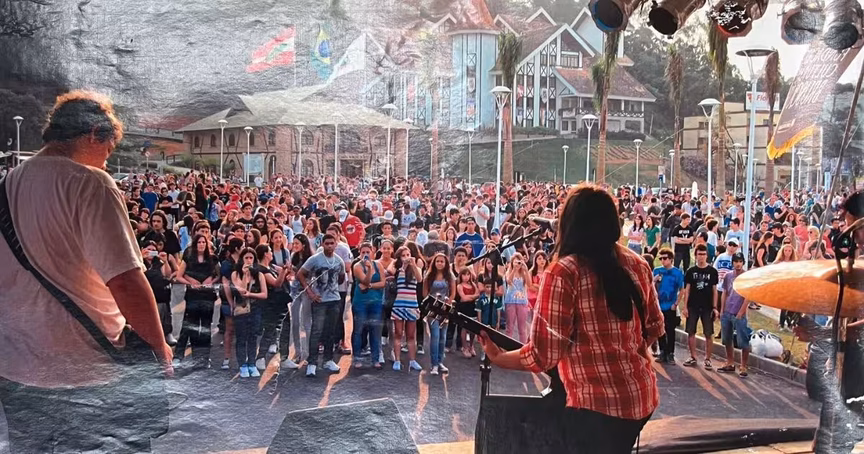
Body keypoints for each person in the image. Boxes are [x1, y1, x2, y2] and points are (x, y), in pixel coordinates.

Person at [0, 91, 171, 453]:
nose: (106, 161)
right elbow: (125, 281)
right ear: (94, 133)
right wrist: (159, 349)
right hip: (88, 373)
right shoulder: (90, 182)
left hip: (18, 373)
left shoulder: (6, 187)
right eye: (108, 150)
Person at [480, 184, 663, 453]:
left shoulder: (564, 273)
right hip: (640, 397)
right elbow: (655, 327)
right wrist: (624, 349)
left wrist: (498, 357)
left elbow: (543, 355)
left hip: (594, 408)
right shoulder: (637, 263)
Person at [297, 234, 346, 377]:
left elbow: (341, 277)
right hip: (319, 301)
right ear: (322, 244)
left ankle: (328, 360)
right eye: (327, 243)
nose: (329, 246)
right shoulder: (315, 259)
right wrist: (310, 293)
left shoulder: (339, 260)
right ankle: (312, 363)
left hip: (334, 299)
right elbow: (300, 274)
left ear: (336, 244)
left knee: (330, 331)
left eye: (332, 243)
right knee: (316, 331)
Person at [174, 233, 221, 369]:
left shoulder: (213, 259)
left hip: (207, 296)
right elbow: (179, 276)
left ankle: (205, 359)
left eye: (203, 242)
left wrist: (211, 281)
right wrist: (191, 283)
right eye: (199, 242)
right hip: (193, 297)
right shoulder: (189, 258)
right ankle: (184, 357)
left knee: (206, 328)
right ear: (195, 244)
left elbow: (218, 275)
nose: (201, 245)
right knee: (190, 326)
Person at [254, 243, 298, 372]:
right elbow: (276, 283)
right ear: (265, 254)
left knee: (285, 330)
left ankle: (284, 358)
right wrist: (284, 271)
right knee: (270, 330)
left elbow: (285, 273)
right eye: (269, 251)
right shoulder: (261, 270)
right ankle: (260, 357)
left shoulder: (271, 266)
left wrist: (287, 271)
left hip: (281, 303)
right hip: (270, 305)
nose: (271, 253)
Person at [230, 247, 268, 378]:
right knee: (241, 338)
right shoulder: (235, 274)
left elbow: (264, 294)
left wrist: (251, 294)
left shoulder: (260, 275)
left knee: (253, 337)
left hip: (255, 309)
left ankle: (252, 363)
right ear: (242, 259)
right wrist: (245, 277)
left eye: (251, 258)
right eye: (246, 258)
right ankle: (242, 365)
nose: (249, 260)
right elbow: (241, 291)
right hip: (241, 310)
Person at [680, 244, 719, 370]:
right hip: (693, 305)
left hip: (707, 307)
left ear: (707, 255)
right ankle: (693, 356)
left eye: (703, 254)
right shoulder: (690, 271)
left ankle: (708, 358)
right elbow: (687, 289)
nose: (701, 257)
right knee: (691, 331)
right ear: (695, 255)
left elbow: (714, 290)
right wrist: (685, 307)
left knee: (708, 333)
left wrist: (715, 307)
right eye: (699, 254)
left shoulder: (712, 272)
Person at [351, 242, 387, 370]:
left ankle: (375, 359)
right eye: (363, 252)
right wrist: (370, 269)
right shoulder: (357, 266)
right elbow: (365, 280)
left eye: (368, 252)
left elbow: (383, 283)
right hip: (360, 302)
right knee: (359, 330)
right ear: (360, 253)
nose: (365, 254)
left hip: (376, 302)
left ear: (373, 252)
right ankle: (357, 357)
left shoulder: (378, 265)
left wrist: (370, 286)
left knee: (375, 330)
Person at [389, 245, 424, 372]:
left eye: (408, 255)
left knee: (411, 335)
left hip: (412, 305)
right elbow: (390, 271)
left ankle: (412, 360)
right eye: (403, 255)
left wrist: (413, 264)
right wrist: (402, 265)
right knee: (398, 333)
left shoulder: (416, 269)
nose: (406, 257)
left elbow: (419, 279)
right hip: (399, 305)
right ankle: (397, 360)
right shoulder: (398, 269)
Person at [717, 253, 751, 378]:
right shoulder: (728, 276)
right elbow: (725, 292)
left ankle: (743, 365)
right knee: (727, 339)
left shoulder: (746, 277)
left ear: (743, 262)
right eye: (736, 261)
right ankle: (730, 362)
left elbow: (748, 296)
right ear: (732, 263)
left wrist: (741, 311)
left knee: (743, 340)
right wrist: (722, 310)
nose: (738, 264)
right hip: (727, 311)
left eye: (740, 261)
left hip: (739, 313)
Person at [423, 253, 456, 375]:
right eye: (437, 261)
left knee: (443, 337)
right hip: (432, 309)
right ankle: (434, 364)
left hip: (445, 309)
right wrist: (431, 304)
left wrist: (448, 303)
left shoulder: (449, 276)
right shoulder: (429, 276)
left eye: (442, 261)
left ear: (446, 263)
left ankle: (440, 361)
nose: (440, 263)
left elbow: (453, 293)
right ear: (434, 263)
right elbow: (425, 293)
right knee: (435, 336)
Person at [653, 247, 684, 364]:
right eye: (660, 258)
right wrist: (654, 281)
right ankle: (662, 351)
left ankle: (670, 353)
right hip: (659, 305)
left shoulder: (677, 272)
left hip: (670, 305)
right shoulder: (657, 271)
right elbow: (650, 287)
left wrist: (676, 303)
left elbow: (682, 289)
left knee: (670, 330)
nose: (662, 261)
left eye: (665, 258)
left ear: (671, 259)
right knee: (660, 329)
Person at [142, 240, 176, 346]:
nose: (151, 252)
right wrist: (141, 257)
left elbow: (167, 275)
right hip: (145, 295)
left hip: (160, 295)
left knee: (164, 308)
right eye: (148, 249)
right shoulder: (139, 262)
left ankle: (167, 333)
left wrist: (165, 261)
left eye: (153, 250)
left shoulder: (158, 263)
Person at [503, 252, 532, 343]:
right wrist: (514, 270)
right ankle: (507, 346)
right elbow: (509, 281)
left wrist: (526, 270)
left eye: (519, 262)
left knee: (522, 328)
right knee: (509, 327)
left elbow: (529, 284)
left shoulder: (524, 273)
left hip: (522, 301)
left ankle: (522, 346)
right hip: (510, 301)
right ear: (512, 263)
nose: (517, 264)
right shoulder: (509, 271)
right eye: (515, 262)